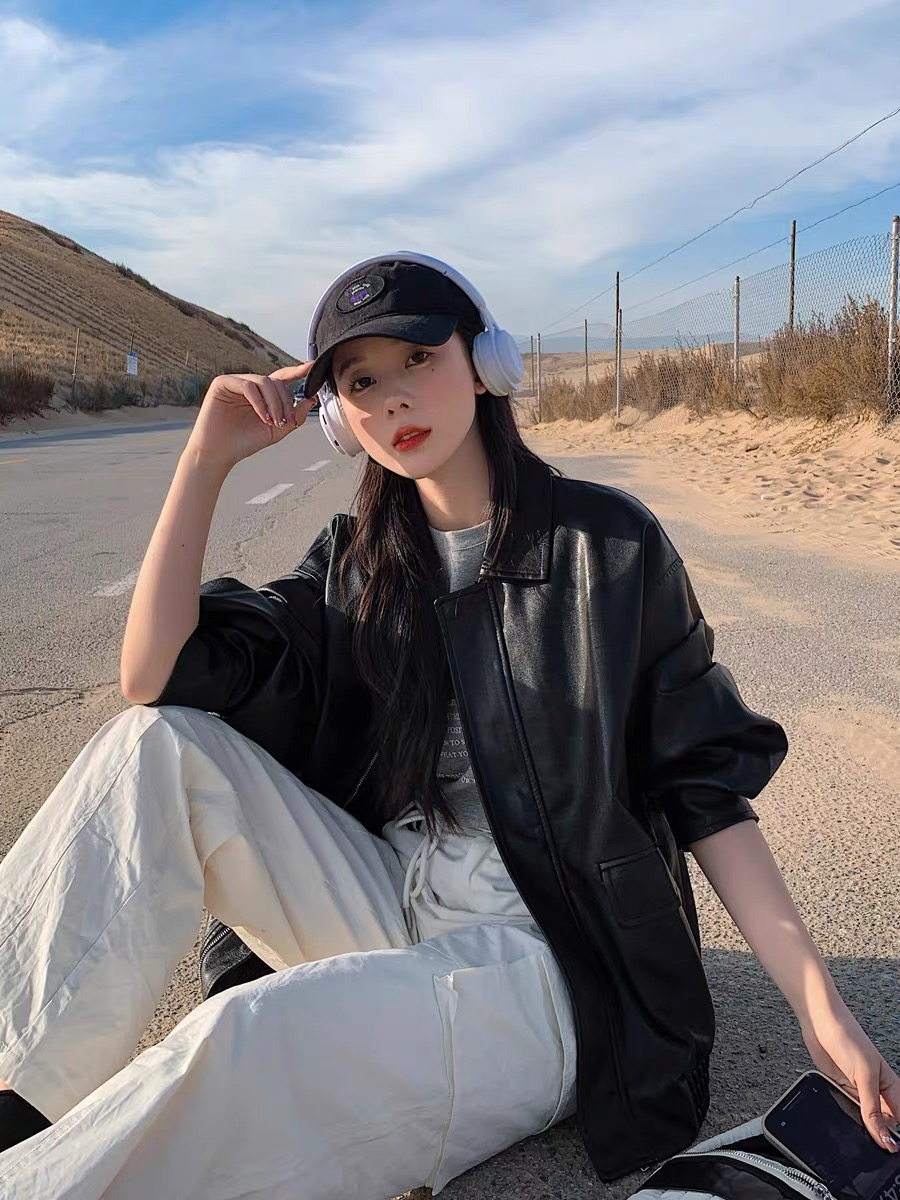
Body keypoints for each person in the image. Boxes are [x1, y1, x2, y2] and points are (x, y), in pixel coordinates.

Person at [0, 254, 896, 1199]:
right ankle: (15, 1094)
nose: (393, 397)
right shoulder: (357, 563)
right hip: (395, 899)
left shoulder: (607, 547)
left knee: (248, 1039)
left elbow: (704, 791)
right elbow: (153, 676)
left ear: (484, 363)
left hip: (551, 959)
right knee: (151, 747)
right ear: (338, 417)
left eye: (418, 358)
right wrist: (204, 462)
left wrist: (820, 1008)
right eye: (360, 381)